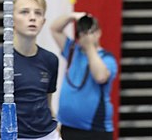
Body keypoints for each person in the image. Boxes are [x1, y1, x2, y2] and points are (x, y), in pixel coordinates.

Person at [0, 0, 59, 140]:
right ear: (10, 19)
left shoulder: (50, 60)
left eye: (38, 13)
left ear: (43, 21)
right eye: (24, 12)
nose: (32, 18)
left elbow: (47, 103)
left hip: (49, 135)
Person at [50, 12, 117, 140]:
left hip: (95, 131)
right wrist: (73, 16)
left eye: (90, 31)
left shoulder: (107, 58)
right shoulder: (72, 51)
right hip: (68, 127)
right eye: (82, 31)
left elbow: (100, 76)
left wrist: (89, 46)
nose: (85, 35)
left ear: (98, 33)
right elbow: (55, 29)